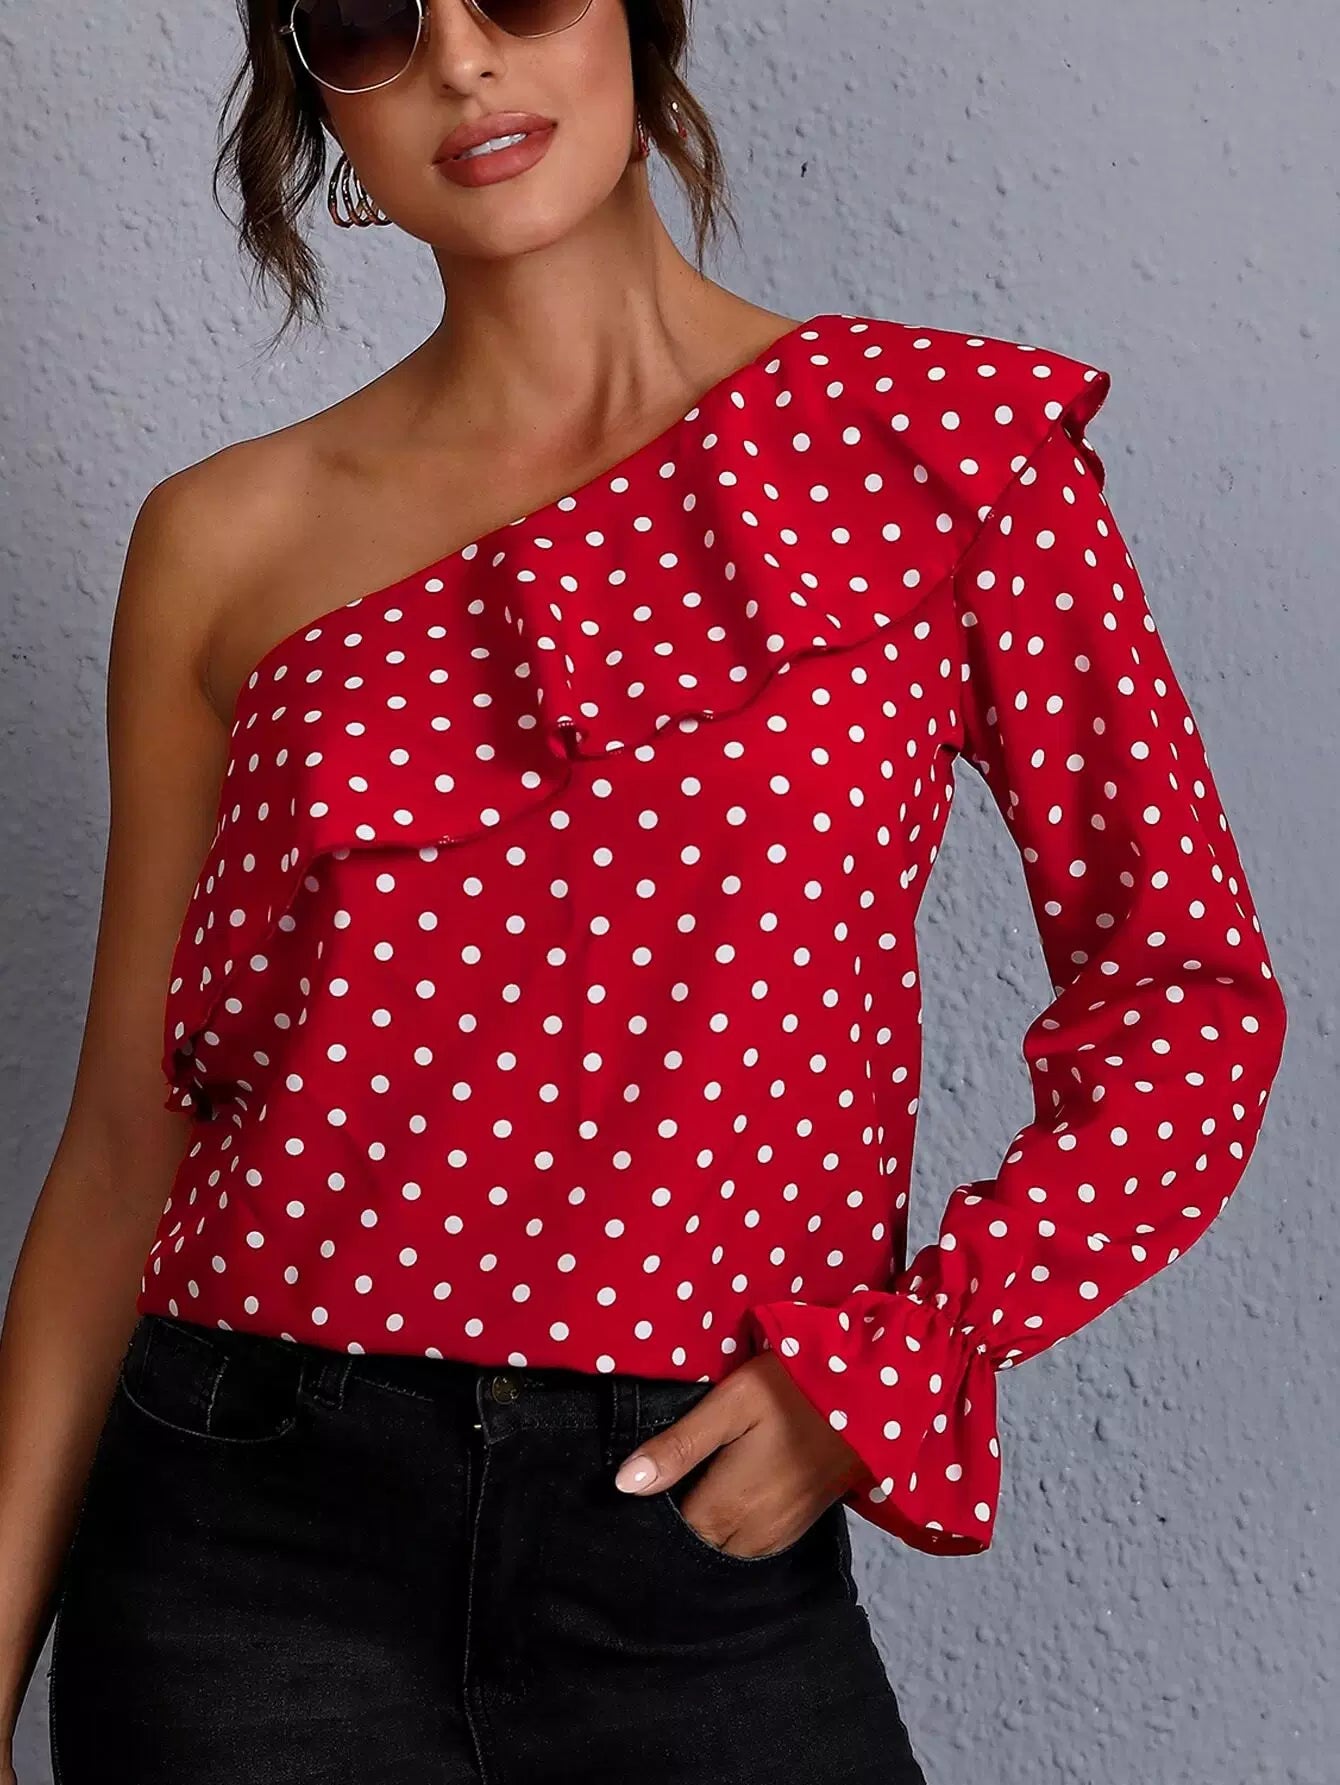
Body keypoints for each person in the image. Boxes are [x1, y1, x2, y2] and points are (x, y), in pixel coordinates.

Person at [0, 2, 1288, 1781]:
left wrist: (908, 1354)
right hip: (243, 1548)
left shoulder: (935, 452)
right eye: (372, 21)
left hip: (690, 1549)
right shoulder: (223, 538)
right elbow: (120, 1143)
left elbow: (1186, 995)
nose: (463, 61)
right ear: (317, 101)